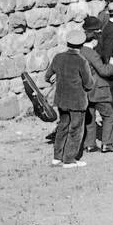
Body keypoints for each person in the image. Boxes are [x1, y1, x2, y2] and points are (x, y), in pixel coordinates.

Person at [46, 27, 94, 168]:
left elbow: (47, 76)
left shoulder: (58, 57)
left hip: (61, 99)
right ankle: (69, 159)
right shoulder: (81, 61)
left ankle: (57, 157)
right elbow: (89, 84)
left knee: (62, 127)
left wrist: (55, 79)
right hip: (77, 101)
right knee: (76, 129)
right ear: (81, 44)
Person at [79, 16, 113, 155]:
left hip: (86, 91)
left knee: (90, 117)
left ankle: (89, 144)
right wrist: (112, 66)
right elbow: (103, 71)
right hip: (99, 90)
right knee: (108, 116)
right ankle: (107, 144)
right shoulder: (92, 54)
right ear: (95, 38)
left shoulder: (80, 52)